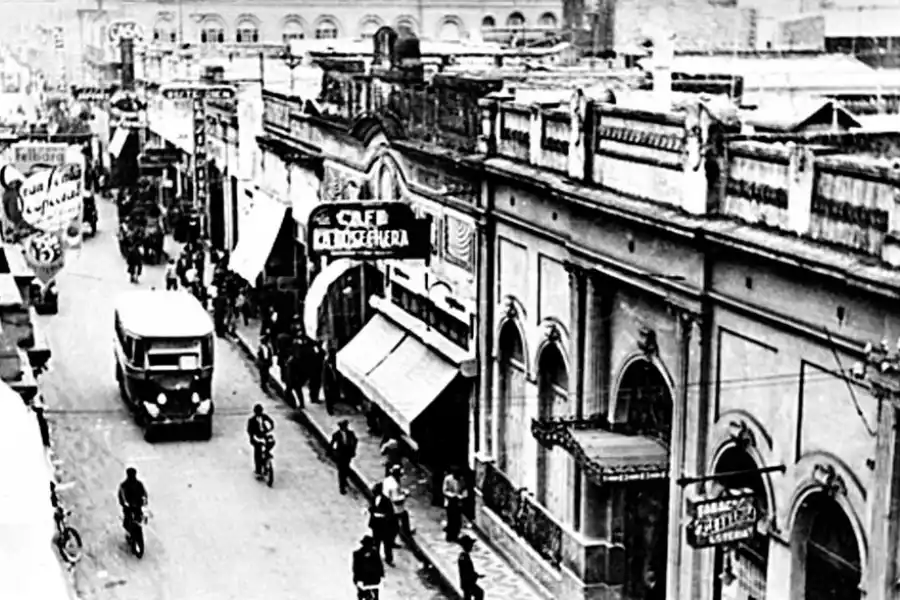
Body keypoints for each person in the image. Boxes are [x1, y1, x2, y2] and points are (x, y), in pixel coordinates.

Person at [383, 464, 414, 544]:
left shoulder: (388, 480)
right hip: (394, 508)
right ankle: (406, 534)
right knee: (401, 520)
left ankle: (402, 534)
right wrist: (405, 495)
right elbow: (396, 499)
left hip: (386, 505)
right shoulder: (394, 486)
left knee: (394, 525)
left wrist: (402, 491)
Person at [367, 482, 395, 567]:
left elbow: (390, 513)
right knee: (376, 543)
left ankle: (388, 559)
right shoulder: (373, 498)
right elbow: (372, 507)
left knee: (387, 543)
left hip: (384, 525)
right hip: (376, 525)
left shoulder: (386, 500)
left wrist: (382, 516)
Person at [246, 404, 275, 477]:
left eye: (260, 411)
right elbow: (249, 431)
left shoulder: (264, 417)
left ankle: (267, 453)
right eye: (258, 412)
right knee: (257, 452)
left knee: (271, 442)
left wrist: (270, 428)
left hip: (264, 435)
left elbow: (271, 422)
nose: (259, 413)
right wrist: (253, 436)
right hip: (256, 437)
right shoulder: (251, 420)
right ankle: (258, 469)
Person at [330, 419, 358, 495]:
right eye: (343, 426)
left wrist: (353, 449)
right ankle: (342, 487)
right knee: (341, 471)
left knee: (346, 469)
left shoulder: (350, 433)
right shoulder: (336, 434)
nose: (345, 427)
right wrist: (332, 453)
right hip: (340, 455)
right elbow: (332, 444)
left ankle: (344, 481)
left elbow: (355, 440)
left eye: (345, 426)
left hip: (348, 454)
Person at [352, 535, 384, 600]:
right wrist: (357, 579)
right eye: (368, 545)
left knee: (375, 594)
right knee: (363, 594)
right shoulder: (357, 554)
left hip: (373, 579)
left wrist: (381, 574)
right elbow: (356, 568)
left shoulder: (375, 554)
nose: (369, 547)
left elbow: (379, 565)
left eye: (371, 545)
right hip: (363, 579)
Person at [443, 465, 468, 542]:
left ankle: (455, 535)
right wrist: (452, 495)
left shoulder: (461, 479)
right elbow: (444, 490)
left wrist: (462, 496)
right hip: (450, 503)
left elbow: (464, 490)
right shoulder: (448, 479)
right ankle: (450, 536)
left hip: (458, 504)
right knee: (451, 520)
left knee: (457, 521)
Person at [457, 535, 484, 600]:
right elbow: (466, 572)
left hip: (467, 583)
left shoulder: (464, 556)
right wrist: (475, 575)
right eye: (470, 544)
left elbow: (468, 571)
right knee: (479, 593)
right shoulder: (463, 558)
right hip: (467, 584)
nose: (471, 546)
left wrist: (477, 575)